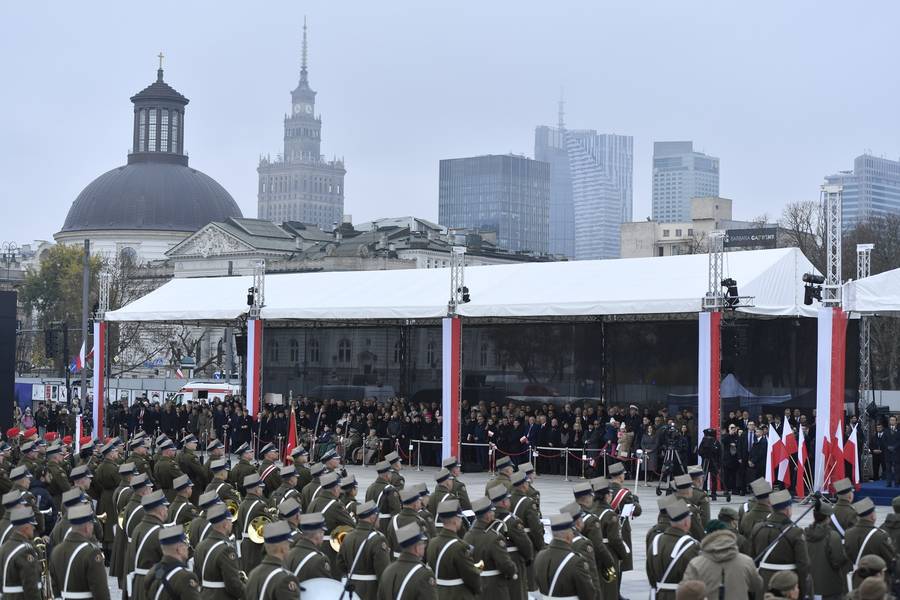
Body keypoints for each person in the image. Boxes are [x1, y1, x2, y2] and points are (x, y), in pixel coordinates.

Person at [749, 489, 810, 598]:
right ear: (787, 510)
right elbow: (803, 566)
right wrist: (802, 591)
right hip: (787, 586)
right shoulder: (795, 532)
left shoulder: (757, 528)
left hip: (763, 583)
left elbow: (752, 559)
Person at [681, 520, 763, 600]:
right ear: (727, 534)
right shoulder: (746, 561)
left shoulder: (696, 564)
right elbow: (757, 586)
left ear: (707, 537)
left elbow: (685, 592)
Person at [533, 513, 596, 600]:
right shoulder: (576, 561)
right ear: (568, 535)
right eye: (572, 531)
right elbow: (589, 595)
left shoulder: (540, 556)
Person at [647, 498, 700, 600]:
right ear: (686, 522)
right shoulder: (691, 546)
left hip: (658, 595)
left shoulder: (656, 541)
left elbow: (650, 573)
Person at [426, 499, 480, 598]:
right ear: (455, 521)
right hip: (457, 595)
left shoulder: (432, 543)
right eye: (460, 518)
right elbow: (471, 576)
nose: (461, 521)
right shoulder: (460, 546)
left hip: (438, 593)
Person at [337, 500, 391, 600]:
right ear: (372, 517)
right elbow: (383, 573)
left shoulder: (348, 536)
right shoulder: (378, 539)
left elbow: (340, 564)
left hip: (351, 591)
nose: (379, 518)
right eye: (377, 515)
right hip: (370, 592)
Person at [488, 484, 532, 600]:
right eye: (508, 499)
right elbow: (526, 546)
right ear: (503, 503)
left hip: (493, 564)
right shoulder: (512, 521)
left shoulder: (487, 518)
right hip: (513, 562)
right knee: (516, 594)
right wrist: (528, 559)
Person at [192, 503, 244, 599]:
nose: (232, 523)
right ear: (225, 525)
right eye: (230, 521)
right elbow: (233, 585)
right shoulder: (227, 550)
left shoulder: (200, 546)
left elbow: (197, 577)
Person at [126, 489, 171, 600]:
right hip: (152, 583)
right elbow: (166, 563)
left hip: (137, 582)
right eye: (165, 507)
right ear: (160, 510)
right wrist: (160, 577)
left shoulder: (139, 527)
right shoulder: (159, 532)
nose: (166, 510)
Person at [378, 522, 437, 600]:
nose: (425, 545)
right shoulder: (425, 574)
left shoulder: (388, 570)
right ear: (416, 548)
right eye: (423, 543)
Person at [845, 498, 896, 589]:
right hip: (876, 583)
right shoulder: (880, 536)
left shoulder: (848, 533)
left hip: (856, 581)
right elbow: (891, 561)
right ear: (872, 516)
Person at [244, 520, 302, 599]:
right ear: (282, 548)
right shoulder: (285, 579)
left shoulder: (253, 574)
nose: (289, 548)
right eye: (288, 545)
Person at [804, 501, 850, 600]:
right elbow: (838, 560)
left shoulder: (804, 534)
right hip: (829, 587)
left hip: (809, 586)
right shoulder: (833, 536)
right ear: (828, 518)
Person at [143, 524, 201, 599]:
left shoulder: (154, 572)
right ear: (179, 549)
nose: (187, 547)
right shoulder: (185, 577)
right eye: (185, 544)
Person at [608, 461, 641, 574]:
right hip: (620, 530)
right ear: (621, 475)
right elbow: (636, 511)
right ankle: (616, 591)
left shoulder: (604, 490)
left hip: (605, 529)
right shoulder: (624, 494)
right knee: (619, 561)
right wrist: (635, 501)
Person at [0, 507, 41, 599]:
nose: (34, 527)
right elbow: (30, 587)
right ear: (26, 528)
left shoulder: (4, 548)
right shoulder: (25, 551)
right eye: (32, 525)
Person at [283, 512, 334, 581]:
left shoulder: (288, 554)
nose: (323, 535)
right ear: (318, 534)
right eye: (322, 532)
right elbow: (325, 587)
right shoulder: (320, 560)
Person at [237, 474, 269, 573]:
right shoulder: (259, 505)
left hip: (244, 545)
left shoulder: (242, 503)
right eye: (260, 488)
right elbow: (269, 526)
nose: (262, 490)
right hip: (255, 547)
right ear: (256, 489)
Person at [365, 461, 401, 533]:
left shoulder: (370, 488)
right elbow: (396, 511)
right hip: (385, 526)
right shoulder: (390, 489)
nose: (391, 476)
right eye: (390, 473)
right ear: (387, 475)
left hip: (371, 524)